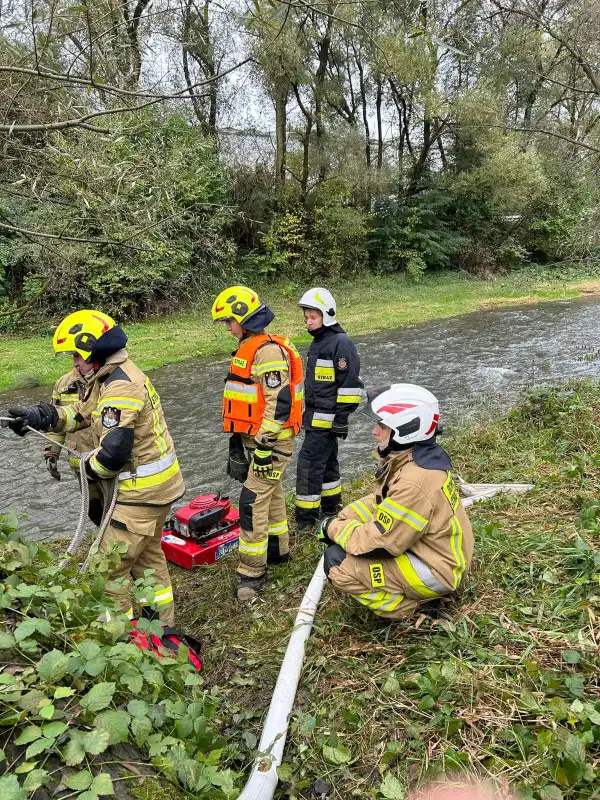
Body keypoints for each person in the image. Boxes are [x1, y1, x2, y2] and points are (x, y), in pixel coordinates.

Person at [2, 310, 184, 625]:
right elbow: (81, 414)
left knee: (106, 569)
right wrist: (41, 416)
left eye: (77, 355)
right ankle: (161, 631)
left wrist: (86, 471)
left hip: (140, 494)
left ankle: (119, 638)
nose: (74, 363)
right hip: (152, 491)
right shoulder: (107, 378)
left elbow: (113, 454)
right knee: (148, 560)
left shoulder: (121, 385)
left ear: (94, 351)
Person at [317, 384, 473, 620]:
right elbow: (382, 501)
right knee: (347, 539)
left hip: (436, 572)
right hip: (439, 555)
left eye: (382, 426)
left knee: (337, 562)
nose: (374, 432)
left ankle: (414, 610)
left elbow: (379, 544)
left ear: (406, 429)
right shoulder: (414, 460)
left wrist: (332, 529)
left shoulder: (415, 481)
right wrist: (345, 518)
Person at [211, 286, 303, 602]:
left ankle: (252, 573)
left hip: (272, 444)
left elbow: (279, 402)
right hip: (258, 441)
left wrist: (264, 445)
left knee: (251, 501)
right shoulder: (252, 348)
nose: (227, 328)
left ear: (244, 318)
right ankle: (278, 550)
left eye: (229, 321)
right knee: (271, 494)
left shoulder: (267, 352)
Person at [295, 287, 363, 529]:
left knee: (308, 466)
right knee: (328, 465)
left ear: (327, 315)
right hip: (316, 418)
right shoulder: (320, 342)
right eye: (306, 318)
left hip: (325, 421)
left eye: (313, 317)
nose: (308, 322)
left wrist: (342, 418)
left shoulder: (340, 343)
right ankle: (331, 508)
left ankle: (306, 520)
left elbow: (350, 384)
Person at [44, 367, 103, 526]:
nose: (75, 362)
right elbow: (56, 423)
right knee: (94, 510)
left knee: (120, 510)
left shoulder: (108, 379)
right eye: (74, 356)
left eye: (79, 356)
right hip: (82, 463)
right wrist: (51, 453)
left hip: (110, 460)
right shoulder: (62, 384)